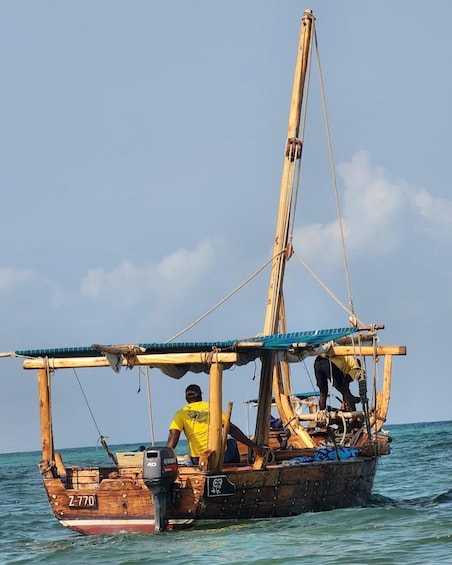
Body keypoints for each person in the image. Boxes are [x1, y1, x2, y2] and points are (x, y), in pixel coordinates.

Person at [166, 384, 264, 464]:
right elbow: (230, 429)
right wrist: (253, 446)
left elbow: (173, 434)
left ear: (186, 398)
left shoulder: (180, 413)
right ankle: (234, 469)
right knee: (231, 443)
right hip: (219, 456)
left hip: (198, 459)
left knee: (190, 455)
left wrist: (166, 455)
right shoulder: (213, 407)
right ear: (200, 395)